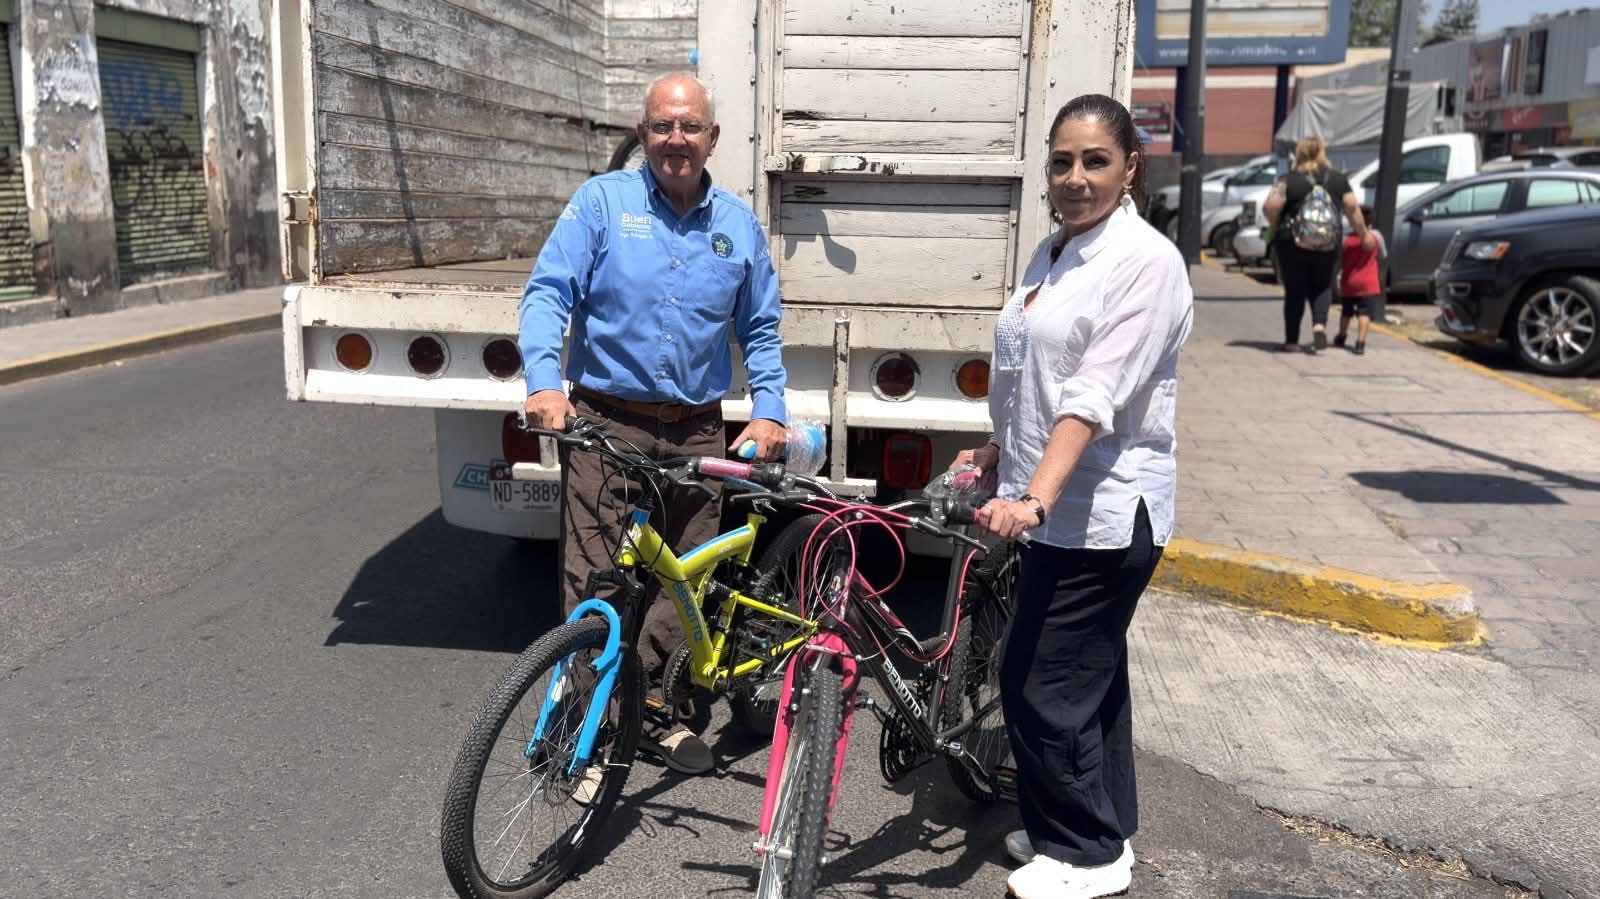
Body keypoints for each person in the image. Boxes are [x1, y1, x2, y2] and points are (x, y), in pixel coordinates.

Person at [952, 94, 1193, 899]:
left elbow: (1092, 395)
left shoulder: (1146, 262)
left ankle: (1087, 851)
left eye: (1095, 160)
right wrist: (994, 452)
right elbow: (1030, 378)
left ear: (1130, 168)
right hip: (1056, 506)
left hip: (1103, 510)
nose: (1076, 176)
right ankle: (1093, 819)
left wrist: (1037, 498)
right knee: (1091, 679)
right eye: (1062, 161)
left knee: (1038, 681)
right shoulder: (1054, 253)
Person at [517, 72, 789, 775]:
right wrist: (546, 385)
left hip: (698, 427)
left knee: (684, 578)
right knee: (596, 579)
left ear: (711, 138)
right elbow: (548, 293)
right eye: (663, 126)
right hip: (606, 420)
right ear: (642, 135)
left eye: (690, 126)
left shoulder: (736, 226)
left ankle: (656, 713)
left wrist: (769, 410)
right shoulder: (600, 204)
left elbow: (759, 328)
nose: (676, 139)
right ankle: (584, 720)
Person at [1263, 137, 1375, 354]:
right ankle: (1319, 325)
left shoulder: (1288, 180)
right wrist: (1364, 235)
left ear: (1299, 154)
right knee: (1323, 285)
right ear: (1323, 153)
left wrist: (1275, 222)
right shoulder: (1337, 179)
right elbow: (1352, 208)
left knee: (1295, 289)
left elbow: (1271, 207)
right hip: (1328, 243)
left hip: (1293, 243)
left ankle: (1292, 341)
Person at [1334, 207, 1387, 355]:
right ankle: (1360, 343)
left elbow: (1340, 259)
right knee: (1364, 314)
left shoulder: (1346, 239)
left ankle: (1342, 336)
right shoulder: (1376, 236)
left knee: (1346, 312)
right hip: (1369, 283)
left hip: (1349, 282)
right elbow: (1383, 255)